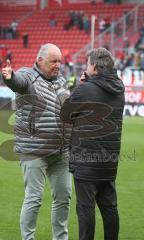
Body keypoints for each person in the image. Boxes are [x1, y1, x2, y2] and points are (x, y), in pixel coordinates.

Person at [1, 43, 72, 240]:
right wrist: (10, 77)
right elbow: (18, 82)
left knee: (64, 198)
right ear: (40, 61)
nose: (57, 65)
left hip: (61, 152)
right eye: (53, 61)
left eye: (59, 61)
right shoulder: (28, 76)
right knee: (34, 199)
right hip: (34, 151)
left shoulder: (62, 81)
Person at [60, 47, 125, 240]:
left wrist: (79, 87)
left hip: (86, 160)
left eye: (88, 64)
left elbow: (65, 115)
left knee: (86, 209)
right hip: (109, 160)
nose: (86, 68)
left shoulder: (86, 89)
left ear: (94, 67)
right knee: (110, 208)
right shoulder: (119, 88)